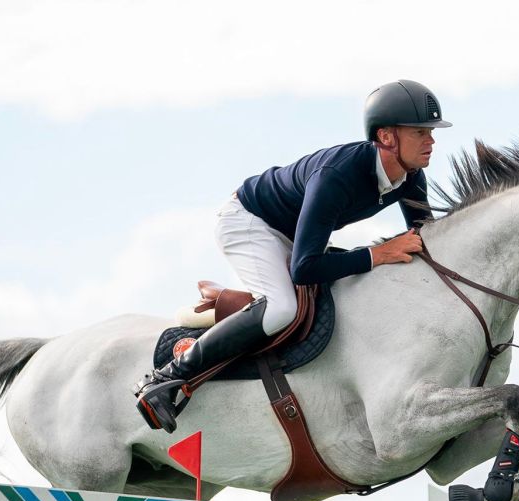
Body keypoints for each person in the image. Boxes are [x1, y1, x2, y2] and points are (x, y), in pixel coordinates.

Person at [134, 80, 451, 432]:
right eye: (421, 132)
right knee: (282, 307)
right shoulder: (337, 175)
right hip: (249, 222)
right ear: (388, 137)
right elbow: (304, 269)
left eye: (431, 132)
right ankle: (167, 378)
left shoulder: (410, 177)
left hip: (289, 233)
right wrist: (377, 253)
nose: (431, 141)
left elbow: (424, 241)